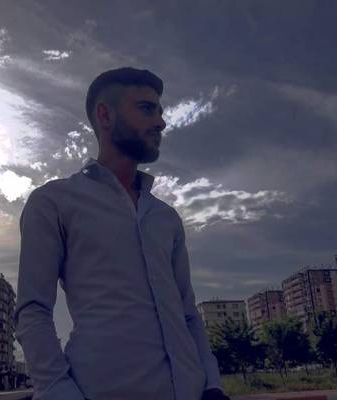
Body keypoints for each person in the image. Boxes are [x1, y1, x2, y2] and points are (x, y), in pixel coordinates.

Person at [14, 67, 230, 400]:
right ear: (105, 115)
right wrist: (60, 392)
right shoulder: (53, 202)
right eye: (146, 109)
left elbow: (188, 312)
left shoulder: (166, 218)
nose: (161, 122)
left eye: (160, 111)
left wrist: (212, 384)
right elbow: (33, 310)